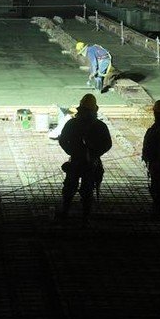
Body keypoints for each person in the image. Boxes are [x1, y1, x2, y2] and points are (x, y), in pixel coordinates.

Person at [57, 92, 112, 222]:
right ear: (95, 110)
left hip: (76, 161)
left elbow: (63, 140)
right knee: (86, 190)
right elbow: (107, 144)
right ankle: (85, 216)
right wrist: (95, 154)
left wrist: (72, 152)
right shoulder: (99, 126)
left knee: (70, 188)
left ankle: (66, 212)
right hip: (90, 163)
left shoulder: (72, 124)